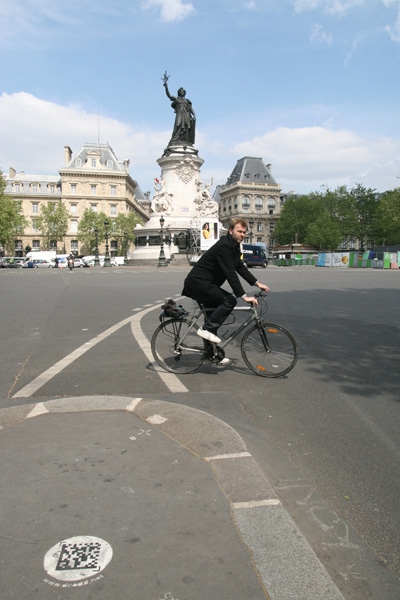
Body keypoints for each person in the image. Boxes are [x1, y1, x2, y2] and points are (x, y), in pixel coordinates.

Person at [182, 218, 270, 365]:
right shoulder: (224, 246)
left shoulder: (234, 246)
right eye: (239, 231)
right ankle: (207, 329)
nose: (242, 234)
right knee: (229, 300)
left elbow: (239, 267)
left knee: (212, 318)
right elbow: (230, 272)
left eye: (244, 232)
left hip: (207, 283)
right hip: (199, 283)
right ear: (230, 231)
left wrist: (256, 283)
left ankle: (212, 354)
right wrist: (243, 296)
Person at [163, 80, 196, 146]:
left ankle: (184, 140)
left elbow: (190, 108)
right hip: (180, 115)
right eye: (180, 91)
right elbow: (169, 95)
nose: (182, 92)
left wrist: (194, 115)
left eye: (183, 91)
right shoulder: (177, 99)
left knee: (186, 128)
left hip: (186, 116)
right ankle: (175, 139)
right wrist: (166, 87)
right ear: (178, 92)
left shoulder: (187, 101)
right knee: (178, 125)